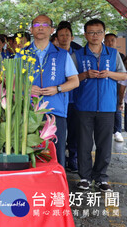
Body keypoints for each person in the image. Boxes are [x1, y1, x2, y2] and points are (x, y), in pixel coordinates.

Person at [73, 19, 127, 192]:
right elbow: (71, 78)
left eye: (98, 32)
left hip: (107, 106)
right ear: (85, 35)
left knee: (104, 145)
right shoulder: (78, 54)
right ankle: (85, 178)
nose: (94, 36)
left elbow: (123, 76)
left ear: (103, 34)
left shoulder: (112, 53)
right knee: (84, 144)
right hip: (83, 106)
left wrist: (110, 73)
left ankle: (102, 177)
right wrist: (85, 74)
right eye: (91, 32)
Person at [23, 15, 79, 167]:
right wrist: (26, 89)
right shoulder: (21, 54)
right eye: (36, 24)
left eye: (45, 24)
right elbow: (10, 82)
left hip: (55, 112)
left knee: (56, 155)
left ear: (51, 30)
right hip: (28, 111)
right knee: (29, 155)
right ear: (31, 29)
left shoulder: (62, 55)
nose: (40, 27)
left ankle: (56, 189)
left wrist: (58, 89)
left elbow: (75, 81)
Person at [55, 23, 79, 172]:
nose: (64, 38)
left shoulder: (77, 53)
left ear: (72, 37)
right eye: (61, 35)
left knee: (74, 132)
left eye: (67, 35)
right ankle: (59, 160)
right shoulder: (54, 53)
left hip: (74, 99)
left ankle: (73, 159)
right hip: (58, 101)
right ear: (56, 37)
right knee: (58, 135)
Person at [104, 33, 125, 142]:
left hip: (117, 85)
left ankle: (117, 131)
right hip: (105, 86)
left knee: (117, 108)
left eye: (112, 40)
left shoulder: (119, 56)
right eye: (107, 41)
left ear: (116, 42)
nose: (110, 43)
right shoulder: (100, 54)